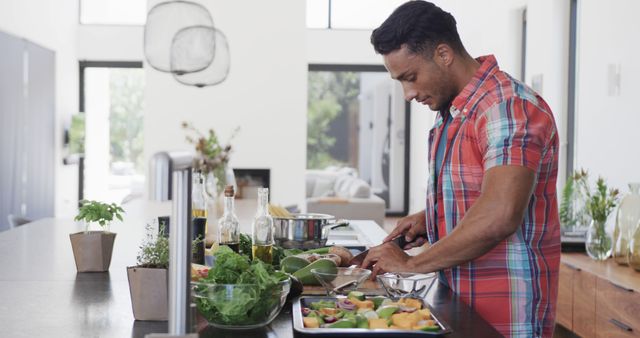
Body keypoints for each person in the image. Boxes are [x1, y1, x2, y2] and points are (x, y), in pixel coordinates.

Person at [360, 1, 560, 337]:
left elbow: (499, 215)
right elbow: (482, 194)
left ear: (443, 54)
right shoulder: (452, 115)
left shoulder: (508, 108)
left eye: (410, 77)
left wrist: (410, 265)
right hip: (461, 308)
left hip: (508, 319)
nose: (408, 94)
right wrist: (433, 216)